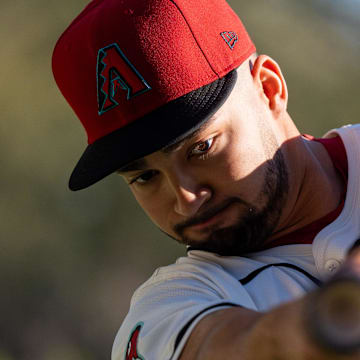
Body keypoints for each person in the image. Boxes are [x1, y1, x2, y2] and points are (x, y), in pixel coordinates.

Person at [52, 0, 360, 358]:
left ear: (269, 88)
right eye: (145, 177)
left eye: (201, 148)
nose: (186, 199)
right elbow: (254, 346)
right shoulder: (171, 308)